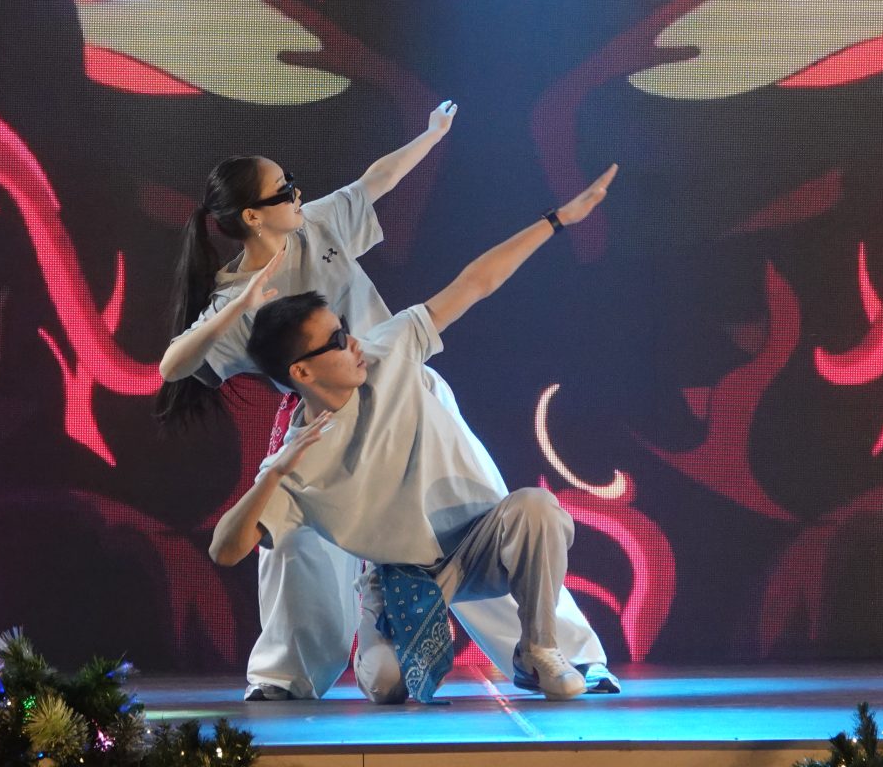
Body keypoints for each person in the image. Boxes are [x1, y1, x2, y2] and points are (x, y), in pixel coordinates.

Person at [157, 106, 617, 700]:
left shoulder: (317, 229)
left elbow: (380, 185)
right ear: (252, 215)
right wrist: (238, 305)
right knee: (295, 544)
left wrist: (430, 136)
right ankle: (288, 673)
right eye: (283, 189)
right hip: (327, 420)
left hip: (402, 384)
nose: (297, 192)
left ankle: (563, 653)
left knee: (485, 515)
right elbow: (173, 366)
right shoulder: (233, 301)